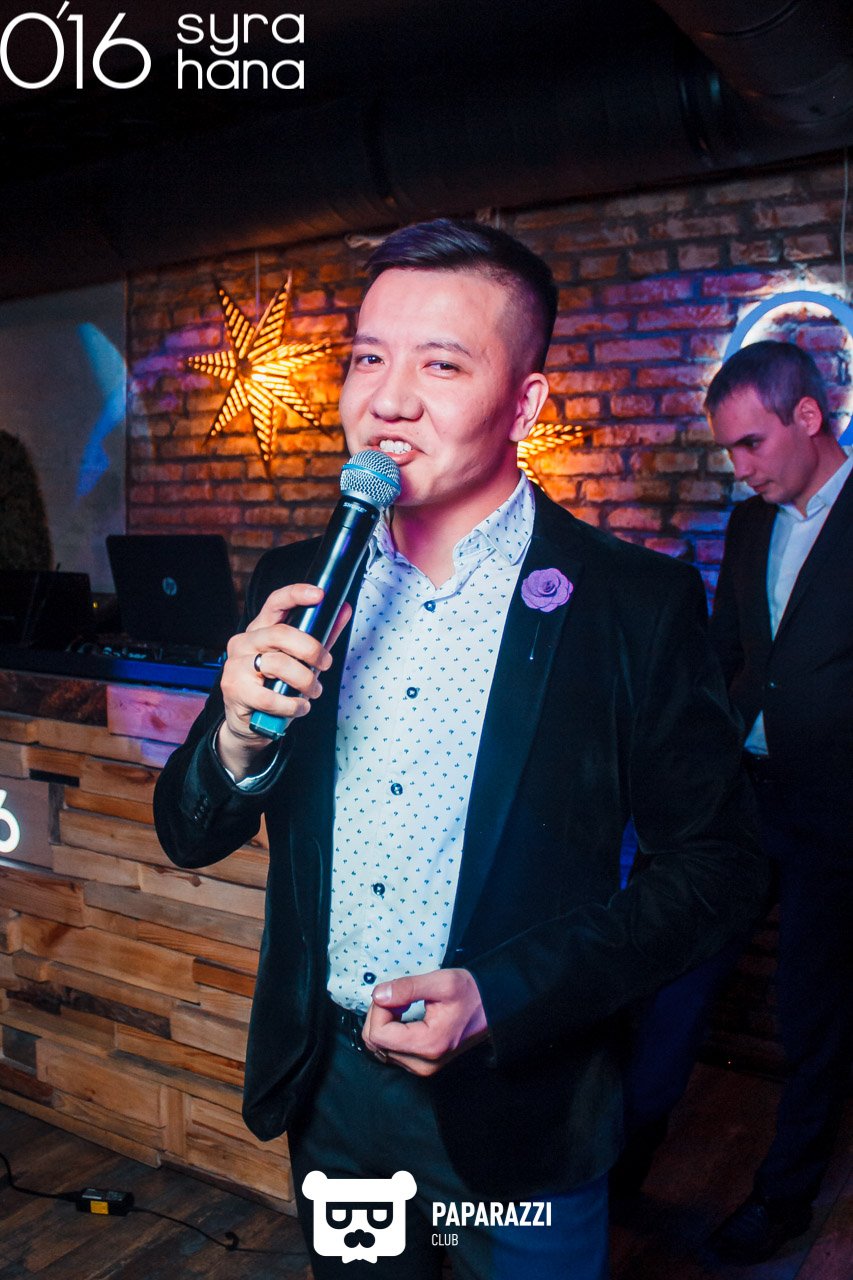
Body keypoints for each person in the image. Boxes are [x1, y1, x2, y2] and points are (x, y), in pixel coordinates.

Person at [153, 219, 766, 1280]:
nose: (387, 399)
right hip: (333, 1098)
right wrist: (237, 739)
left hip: (524, 1105)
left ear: (524, 403)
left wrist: (502, 994)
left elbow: (717, 869)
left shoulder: (630, 602)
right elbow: (189, 831)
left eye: (440, 363)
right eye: (367, 358)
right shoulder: (295, 577)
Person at [617, 340, 853, 1266]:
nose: (739, 466)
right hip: (742, 801)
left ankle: (783, 1201)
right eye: (728, 450)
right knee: (675, 979)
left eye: (751, 443)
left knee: (810, 1011)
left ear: (808, 417)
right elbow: (729, 655)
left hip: (835, 812)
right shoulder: (750, 521)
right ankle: (617, 1168)